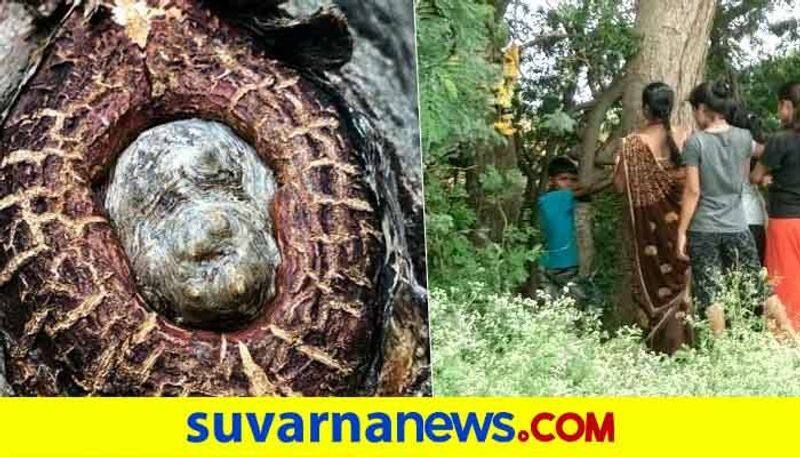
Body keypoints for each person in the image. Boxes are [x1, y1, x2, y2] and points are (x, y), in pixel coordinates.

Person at [677, 81, 777, 336]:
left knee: (711, 292)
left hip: (704, 229)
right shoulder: (744, 137)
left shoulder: (695, 143)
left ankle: (720, 350)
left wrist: (681, 232)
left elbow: (692, 191)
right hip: (738, 225)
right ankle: (790, 335)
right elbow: (767, 150)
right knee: (758, 286)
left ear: (702, 108)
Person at [613, 82, 692, 354]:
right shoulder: (684, 136)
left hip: (650, 235)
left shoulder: (632, 144)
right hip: (682, 229)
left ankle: (661, 349)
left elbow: (620, 187)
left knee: (656, 287)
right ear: (670, 107)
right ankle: (686, 346)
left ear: (645, 109)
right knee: (682, 285)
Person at [752, 82, 800, 329]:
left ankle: (786, 338)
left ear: (788, 106)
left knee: (783, 281)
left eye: (780, 105)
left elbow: (756, 176)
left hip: (785, 219)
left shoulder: (780, 139)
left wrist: (768, 181)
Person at [538, 157, 581, 293]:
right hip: (562, 264)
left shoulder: (566, 200)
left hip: (552, 262)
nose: (568, 183)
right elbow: (589, 188)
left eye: (573, 180)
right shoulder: (554, 199)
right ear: (552, 181)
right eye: (563, 179)